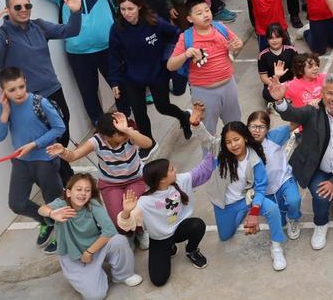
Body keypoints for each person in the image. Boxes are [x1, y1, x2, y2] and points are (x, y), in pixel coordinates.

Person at [0, 0, 83, 182]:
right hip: (27, 101)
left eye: (28, 5)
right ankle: (66, 181)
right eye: (17, 6)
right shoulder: (3, 35)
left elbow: (71, 30)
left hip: (53, 91)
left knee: (62, 135)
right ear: (8, 10)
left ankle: (62, 177)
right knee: (45, 143)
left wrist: (75, 12)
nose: (24, 9)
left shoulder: (39, 26)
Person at [268, 71, 333, 251]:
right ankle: (321, 224)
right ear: (322, 93)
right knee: (321, 196)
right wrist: (280, 102)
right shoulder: (312, 111)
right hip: (317, 170)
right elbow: (292, 114)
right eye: (329, 93)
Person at [29, 0, 115, 126]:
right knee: (88, 92)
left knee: (120, 86)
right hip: (78, 54)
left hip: (108, 48)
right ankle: (101, 126)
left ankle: (126, 119)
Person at [189, 121, 288, 271]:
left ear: (245, 138)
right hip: (224, 204)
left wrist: (254, 212)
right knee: (225, 236)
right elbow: (206, 139)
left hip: (246, 199)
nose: (233, 145)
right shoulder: (220, 150)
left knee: (273, 209)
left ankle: (276, 247)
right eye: (228, 142)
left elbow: (261, 188)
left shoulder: (254, 160)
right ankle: (241, 213)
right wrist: (196, 124)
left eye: (236, 139)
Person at [47, 111, 152, 243]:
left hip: (135, 179)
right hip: (111, 184)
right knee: (117, 217)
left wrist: (127, 130)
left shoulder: (129, 134)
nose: (125, 135)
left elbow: (148, 144)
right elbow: (73, 156)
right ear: (107, 137)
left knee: (134, 210)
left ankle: (140, 231)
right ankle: (127, 235)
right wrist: (63, 151)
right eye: (120, 133)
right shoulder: (96, 141)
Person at [0, 66, 67, 254]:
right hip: (21, 163)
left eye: (20, 87)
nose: (18, 93)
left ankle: (63, 234)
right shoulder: (4, 107)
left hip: (45, 160)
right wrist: (4, 113)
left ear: (25, 81)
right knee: (16, 203)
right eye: (11, 90)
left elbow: (59, 128)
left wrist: (34, 144)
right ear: (2, 92)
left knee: (55, 200)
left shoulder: (39, 102)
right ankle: (46, 220)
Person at [40, 174, 142, 298]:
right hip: (73, 256)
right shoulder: (60, 205)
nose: (83, 193)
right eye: (78, 189)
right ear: (68, 192)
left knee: (119, 240)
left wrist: (89, 252)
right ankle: (95, 274)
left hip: (94, 248)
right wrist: (51, 213)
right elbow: (41, 209)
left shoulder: (92, 204)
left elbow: (109, 230)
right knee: (96, 296)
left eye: (87, 190)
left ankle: (123, 275)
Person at [107, 0, 191, 141]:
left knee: (163, 107)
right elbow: (113, 56)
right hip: (132, 78)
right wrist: (114, 81)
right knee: (139, 113)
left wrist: (172, 54)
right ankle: (148, 143)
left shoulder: (154, 22)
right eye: (123, 9)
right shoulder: (116, 29)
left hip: (157, 74)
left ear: (139, 6)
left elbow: (177, 33)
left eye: (130, 8)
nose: (126, 13)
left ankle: (183, 117)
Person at [117, 156, 210, 287]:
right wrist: (126, 212)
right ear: (162, 180)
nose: (175, 169)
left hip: (178, 229)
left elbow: (201, 172)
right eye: (171, 169)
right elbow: (126, 225)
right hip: (160, 239)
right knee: (158, 280)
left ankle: (191, 250)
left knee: (197, 225)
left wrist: (212, 152)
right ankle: (169, 247)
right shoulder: (144, 202)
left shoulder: (180, 181)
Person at [165, 0, 246, 135]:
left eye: (207, 10)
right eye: (199, 13)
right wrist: (186, 54)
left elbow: (237, 43)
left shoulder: (221, 27)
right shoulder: (186, 37)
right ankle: (210, 157)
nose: (205, 14)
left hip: (229, 85)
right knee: (208, 132)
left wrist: (237, 46)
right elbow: (170, 66)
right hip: (203, 92)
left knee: (235, 126)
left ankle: (235, 155)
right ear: (190, 19)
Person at [246, 110, 303, 240]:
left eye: (261, 127)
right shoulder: (245, 146)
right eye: (253, 126)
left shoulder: (274, 137)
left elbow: (294, 124)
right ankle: (284, 216)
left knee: (294, 200)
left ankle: (293, 219)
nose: (257, 130)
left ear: (267, 129)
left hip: (284, 179)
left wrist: (308, 108)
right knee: (279, 220)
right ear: (247, 127)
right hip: (264, 189)